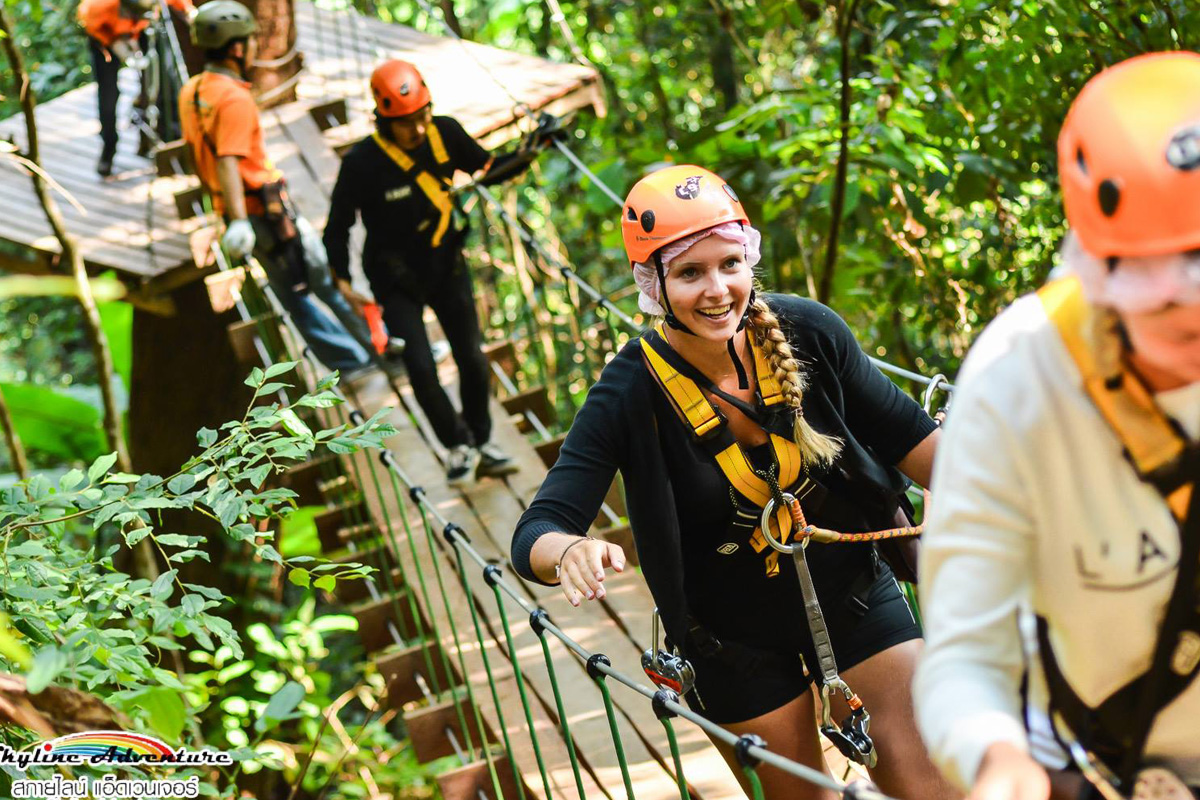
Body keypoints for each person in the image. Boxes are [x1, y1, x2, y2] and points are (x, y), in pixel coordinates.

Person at [509, 165, 956, 800]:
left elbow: (918, 444)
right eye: (690, 273)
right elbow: (536, 532)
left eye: (729, 265)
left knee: (934, 787)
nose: (717, 290)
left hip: (852, 590)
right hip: (727, 638)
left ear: (750, 260)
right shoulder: (628, 392)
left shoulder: (810, 333)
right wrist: (570, 550)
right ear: (653, 284)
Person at [915, 52, 1200, 800]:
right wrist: (996, 758)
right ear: (1102, 272)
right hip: (1096, 762)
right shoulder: (1019, 380)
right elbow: (963, 656)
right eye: (1163, 298)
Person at [324, 59, 560, 487]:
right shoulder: (363, 163)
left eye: (421, 117)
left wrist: (534, 146)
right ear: (383, 120)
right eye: (405, 123)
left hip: (445, 264)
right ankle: (458, 446)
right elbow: (337, 225)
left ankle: (482, 441)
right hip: (394, 277)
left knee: (471, 357)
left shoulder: (445, 133)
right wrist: (342, 280)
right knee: (419, 366)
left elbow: (488, 169)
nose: (416, 129)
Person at [180, 0, 382, 376]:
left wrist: (226, 214)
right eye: (250, 40)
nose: (256, 46)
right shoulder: (234, 100)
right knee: (327, 279)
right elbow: (228, 159)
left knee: (292, 293)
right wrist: (240, 218)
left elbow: (202, 156)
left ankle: (347, 362)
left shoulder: (193, 92)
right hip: (263, 212)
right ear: (237, 49)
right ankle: (383, 351)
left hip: (237, 211)